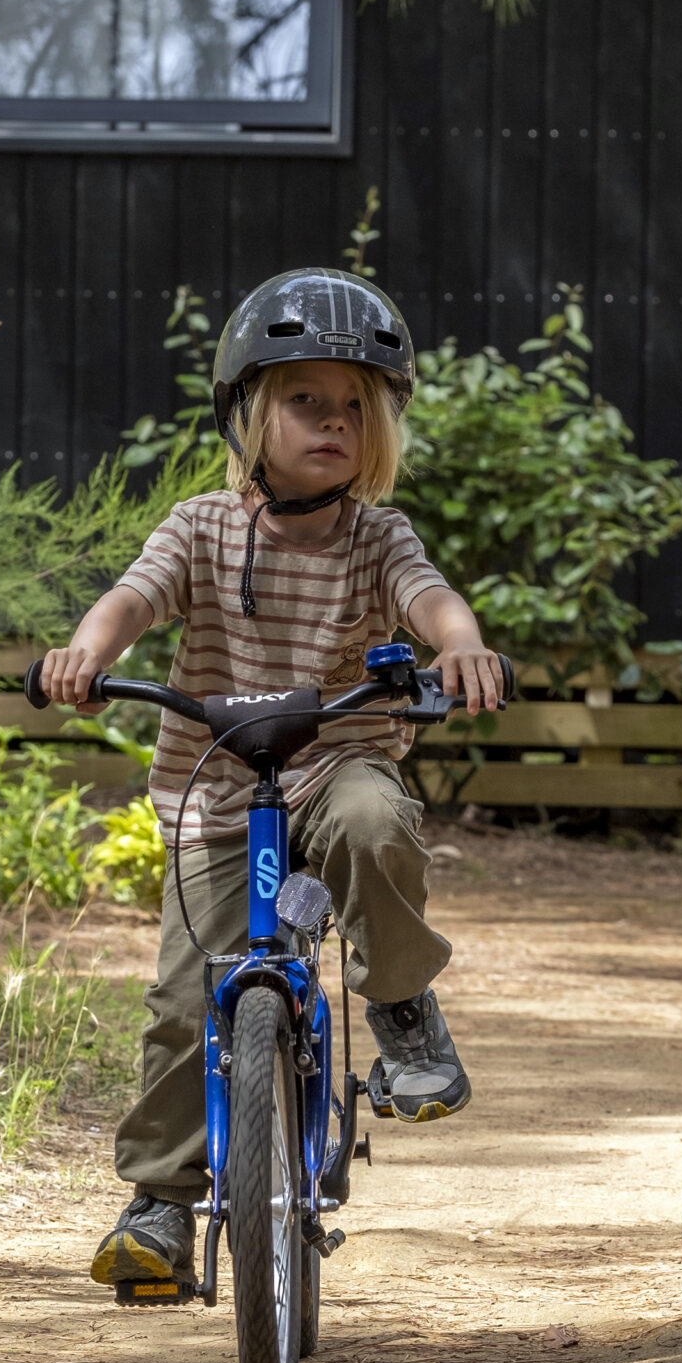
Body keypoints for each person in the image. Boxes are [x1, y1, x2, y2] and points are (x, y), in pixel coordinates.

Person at [37, 266, 505, 1288]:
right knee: (179, 1000)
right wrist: (83, 652)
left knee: (379, 822)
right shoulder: (202, 526)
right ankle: (159, 1203)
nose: (331, 422)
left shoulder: (376, 536)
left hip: (337, 761)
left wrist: (460, 646)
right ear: (249, 412)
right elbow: (132, 599)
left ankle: (400, 1006)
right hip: (216, 782)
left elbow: (431, 601)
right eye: (304, 401)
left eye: (353, 406)